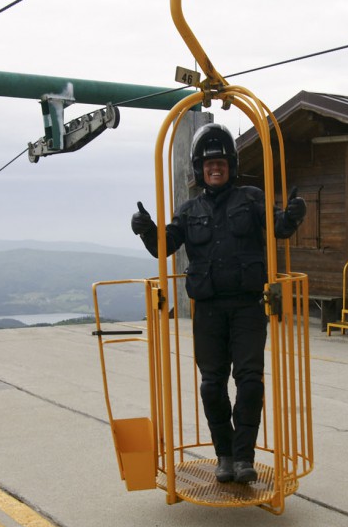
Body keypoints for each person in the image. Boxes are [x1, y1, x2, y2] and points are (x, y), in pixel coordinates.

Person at [131, 123, 306, 484]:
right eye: (209, 163)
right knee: (211, 384)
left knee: (250, 382)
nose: (216, 168)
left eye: (222, 163)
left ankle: (244, 457)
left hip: (247, 307)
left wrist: (291, 216)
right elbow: (164, 247)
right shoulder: (188, 208)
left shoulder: (252, 198)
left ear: (231, 166)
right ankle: (223, 455)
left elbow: (279, 228)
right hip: (208, 311)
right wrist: (147, 229)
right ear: (199, 168)